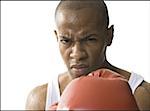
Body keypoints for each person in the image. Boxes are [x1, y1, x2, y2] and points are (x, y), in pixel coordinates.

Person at [25, 0, 150, 110]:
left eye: (90, 39)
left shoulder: (140, 94)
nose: (78, 54)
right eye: (66, 41)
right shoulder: (40, 101)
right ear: (57, 38)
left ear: (109, 36)